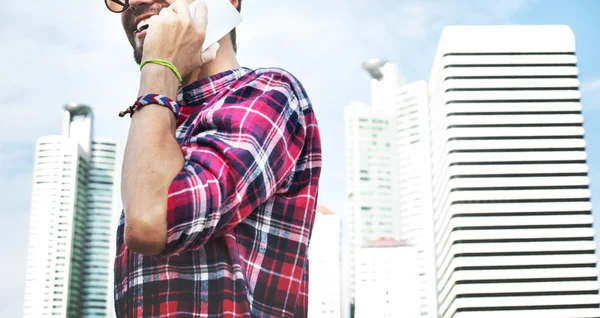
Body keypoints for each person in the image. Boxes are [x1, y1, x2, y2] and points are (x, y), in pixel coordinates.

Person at [105, 0, 322, 316]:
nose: (133, 2)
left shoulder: (267, 93)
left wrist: (159, 70)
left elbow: (150, 223)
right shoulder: (158, 126)